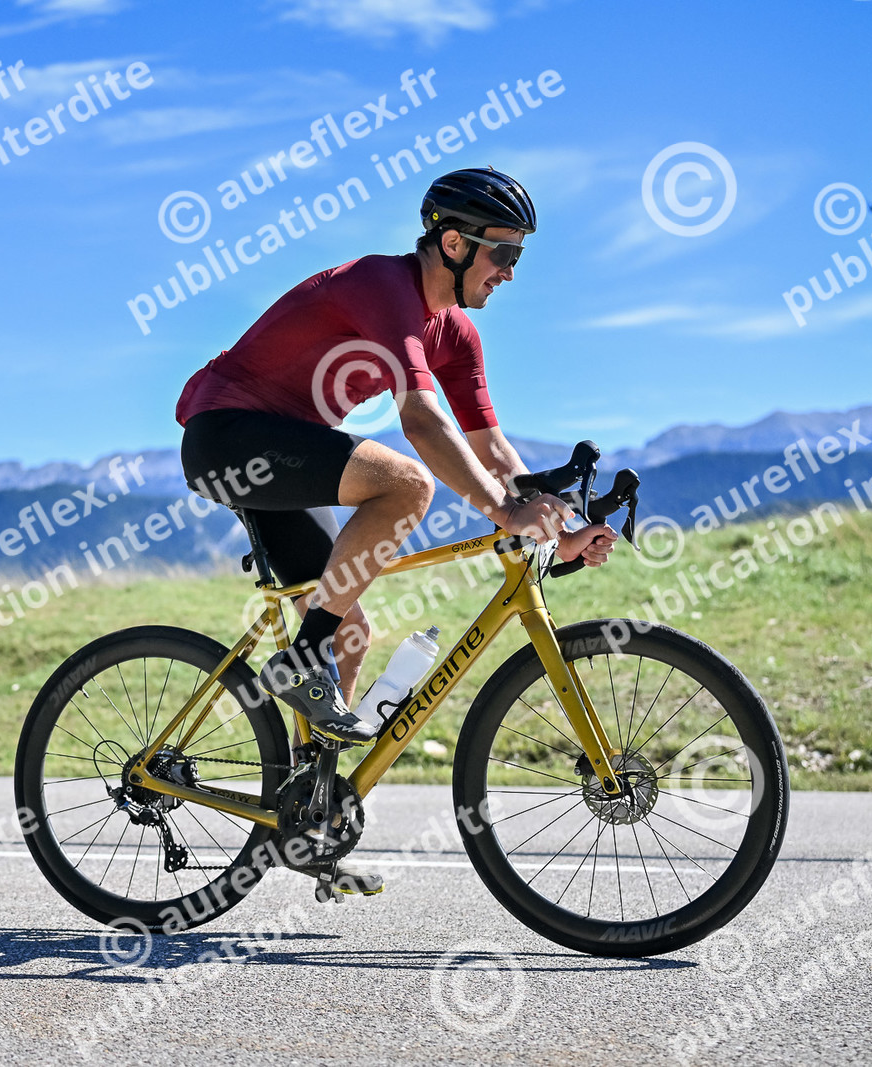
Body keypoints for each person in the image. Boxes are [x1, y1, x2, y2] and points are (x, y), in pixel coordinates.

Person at [175, 167, 618, 892]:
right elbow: (421, 421)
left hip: (285, 455)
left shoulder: (458, 334)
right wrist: (502, 512)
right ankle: (301, 661)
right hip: (229, 435)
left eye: (519, 256)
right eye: (504, 252)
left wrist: (556, 527)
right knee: (407, 483)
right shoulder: (386, 286)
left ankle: (306, 819)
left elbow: (494, 451)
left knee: (350, 632)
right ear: (453, 243)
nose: (511, 271)